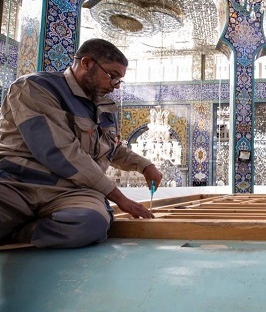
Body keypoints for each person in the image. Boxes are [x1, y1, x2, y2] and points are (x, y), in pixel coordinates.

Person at [0, 38, 162, 248]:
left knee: (91, 222)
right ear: (86, 63)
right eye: (112, 76)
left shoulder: (104, 105)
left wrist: (145, 165)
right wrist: (119, 198)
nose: (114, 86)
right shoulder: (34, 88)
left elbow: (111, 149)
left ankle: (20, 232)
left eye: (119, 81)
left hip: (71, 192)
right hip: (17, 183)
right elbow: (61, 151)